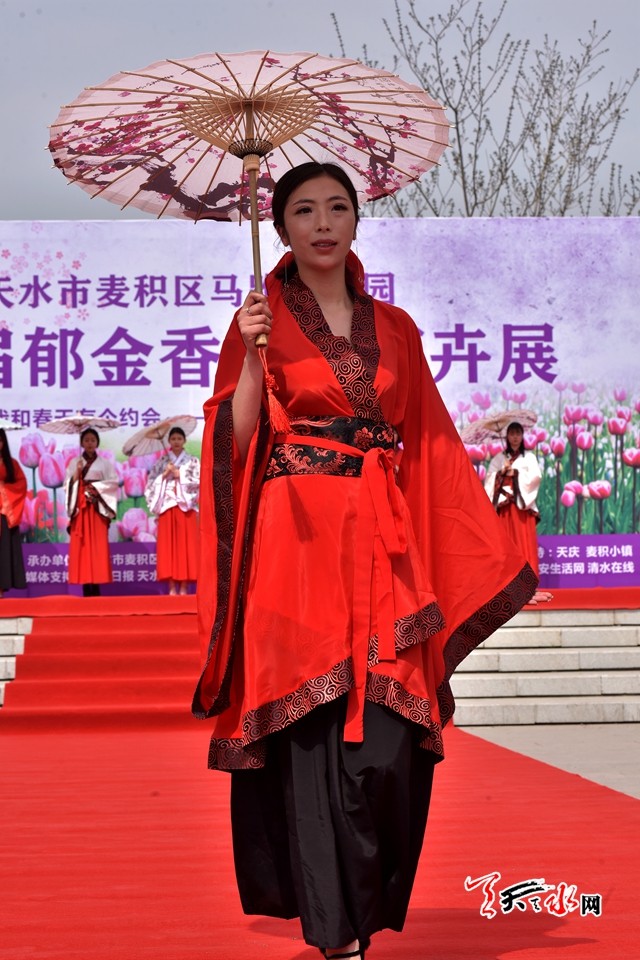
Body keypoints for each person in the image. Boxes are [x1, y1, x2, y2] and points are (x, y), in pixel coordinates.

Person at [193, 163, 537, 959]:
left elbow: (433, 447)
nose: (322, 223)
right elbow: (232, 445)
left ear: (355, 220)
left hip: (384, 547)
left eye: (337, 207)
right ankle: (336, 934)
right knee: (312, 737)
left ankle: (359, 903)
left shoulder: (398, 327)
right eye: (304, 211)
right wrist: (251, 361)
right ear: (280, 229)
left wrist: (473, 556)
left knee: (387, 746)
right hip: (297, 546)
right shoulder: (257, 323)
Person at [484, 421, 544, 591]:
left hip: (522, 508)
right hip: (505, 507)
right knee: (507, 545)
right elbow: (489, 479)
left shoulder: (529, 457)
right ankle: (508, 585)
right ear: (507, 436)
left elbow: (535, 477)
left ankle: (527, 585)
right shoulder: (499, 458)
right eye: (512, 433)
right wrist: (501, 473)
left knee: (524, 544)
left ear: (522, 436)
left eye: (518, 433)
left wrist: (515, 473)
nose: (515, 437)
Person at [144, 426, 200, 595]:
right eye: (173, 439)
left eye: (179, 438)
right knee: (168, 548)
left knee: (185, 547)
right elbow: (151, 483)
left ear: (184, 441)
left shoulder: (192, 461)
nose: (176, 441)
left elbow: (200, 480)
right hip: (167, 506)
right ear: (169, 441)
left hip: (185, 507)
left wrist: (180, 476)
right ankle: (171, 587)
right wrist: (164, 474)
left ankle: (183, 587)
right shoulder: (162, 462)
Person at [65, 428, 117, 597]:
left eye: (92, 440)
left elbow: (113, 483)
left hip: (97, 509)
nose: (89, 443)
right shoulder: (75, 462)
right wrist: (77, 473)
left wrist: (95, 489)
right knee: (82, 548)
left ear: (97, 442)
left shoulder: (104, 463)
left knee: (97, 547)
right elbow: (67, 485)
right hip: (81, 509)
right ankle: (85, 584)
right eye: (86, 440)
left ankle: (96, 584)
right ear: (82, 442)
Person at [0, 428, 27, 597]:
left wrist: (2, 489)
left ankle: (1, 589)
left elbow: (21, 484)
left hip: (5, 514)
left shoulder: (12, 463)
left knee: (4, 551)